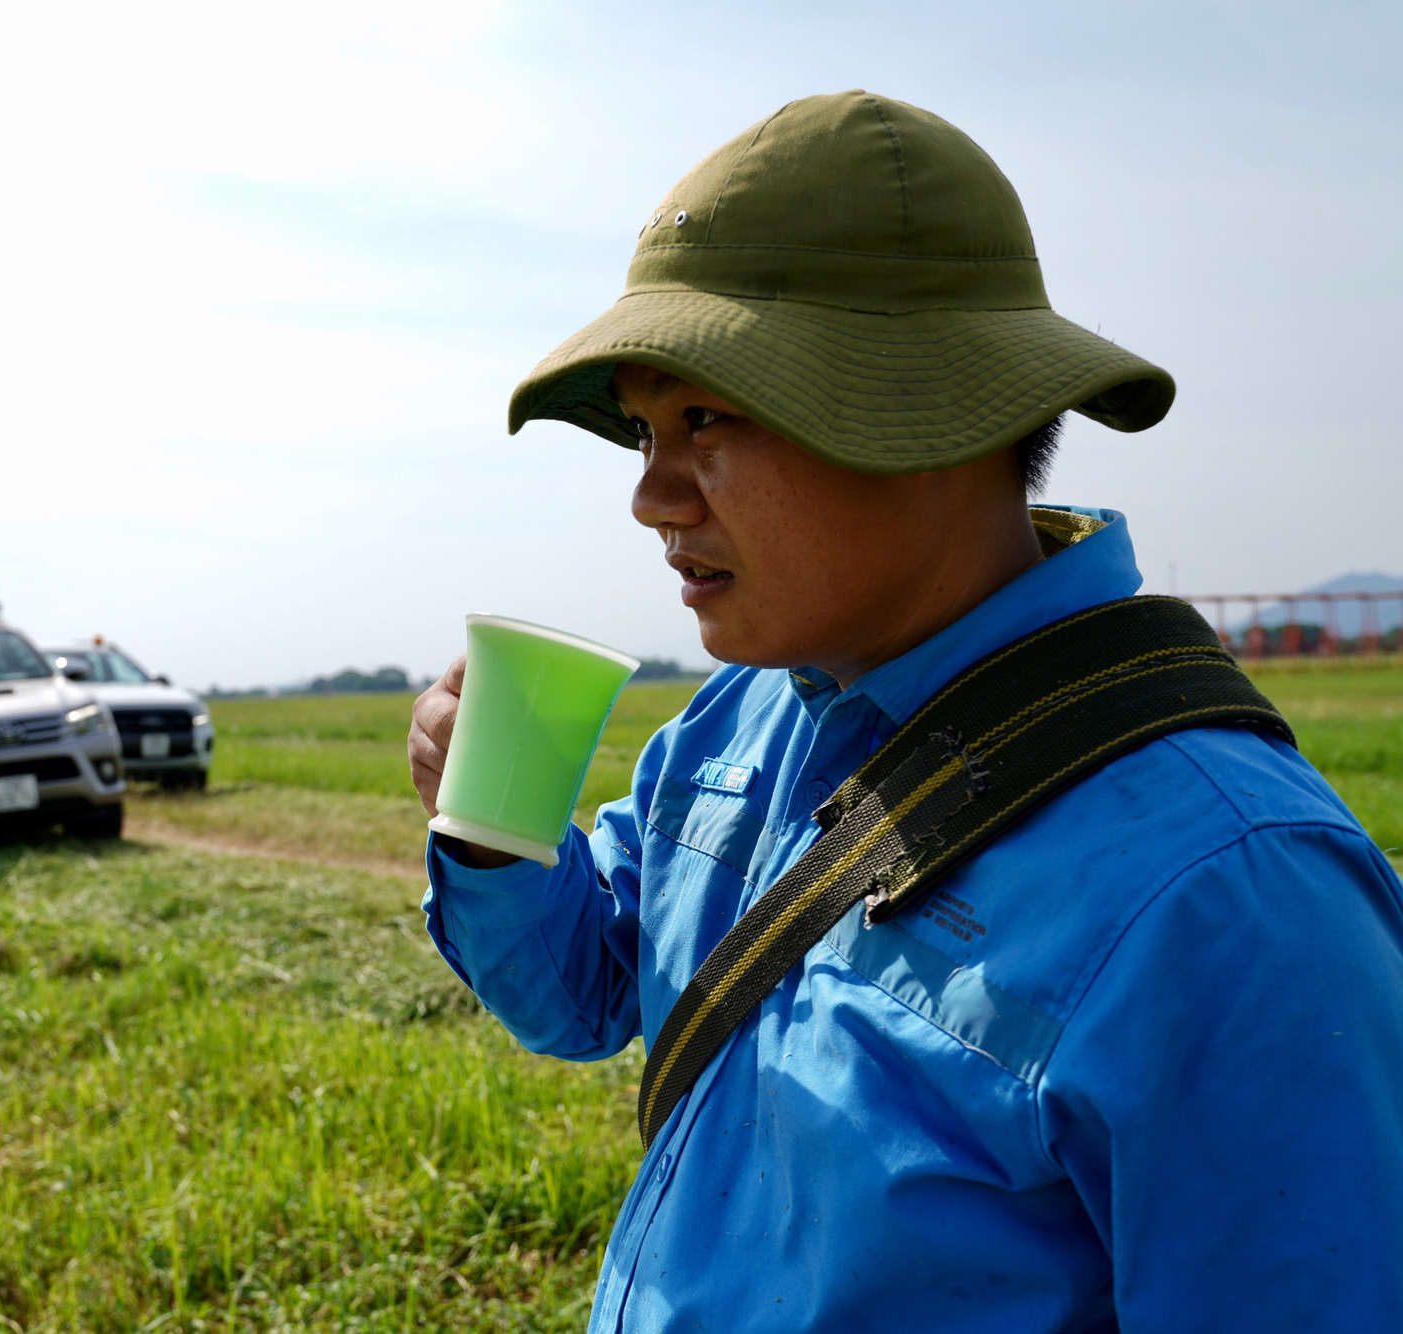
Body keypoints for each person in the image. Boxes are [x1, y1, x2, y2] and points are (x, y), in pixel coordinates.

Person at [407, 91, 1403, 1330]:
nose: (651, 495)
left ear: (932, 410)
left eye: (703, 418)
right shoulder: (734, 728)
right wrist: (493, 837)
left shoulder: (1229, 896)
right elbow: (585, 993)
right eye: (642, 429)